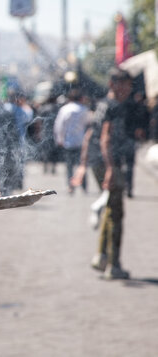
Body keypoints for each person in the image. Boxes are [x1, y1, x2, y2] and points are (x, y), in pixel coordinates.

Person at [71, 67, 133, 280]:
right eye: (124, 84)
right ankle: (113, 265)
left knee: (109, 208)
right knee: (116, 214)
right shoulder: (114, 107)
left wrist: (82, 164)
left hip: (99, 162)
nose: (128, 89)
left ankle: (102, 257)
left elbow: (90, 135)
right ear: (113, 84)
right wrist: (111, 169)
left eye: (129, 85)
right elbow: (105, 138)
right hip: (108, 163)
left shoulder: (101, 105)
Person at [53, 88, 89, 194]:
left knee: (69, 166)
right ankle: (84, 186)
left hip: (68, 142)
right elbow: (88, 123)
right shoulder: (84, 109)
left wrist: (59, 139)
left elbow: (59, 125)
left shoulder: (64, 109)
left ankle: (71, 186)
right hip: (81, 141)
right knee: (81, 165)